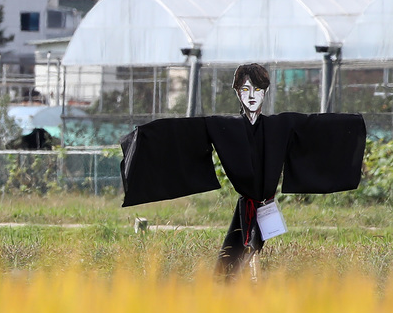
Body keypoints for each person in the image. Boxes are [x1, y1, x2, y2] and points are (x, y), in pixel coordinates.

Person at [120, 63, 365, 276]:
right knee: (232, 257)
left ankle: (233, 277)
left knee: (240, 254)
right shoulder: (223, 127)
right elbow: (182, 133)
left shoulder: (280, 125)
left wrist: (354, 128)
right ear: (237, 92)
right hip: (247, 200)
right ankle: (228, 279)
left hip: (264, 200)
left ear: (265, 92)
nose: (251, 96)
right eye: (245, 89)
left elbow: (317, 127)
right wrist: (143, 139)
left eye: (257, 89)